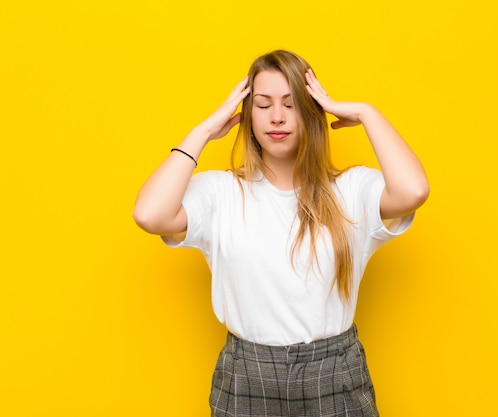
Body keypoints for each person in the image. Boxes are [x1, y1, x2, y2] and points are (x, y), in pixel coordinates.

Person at [133, 49, 429, 417]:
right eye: (263, 104)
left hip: (334, 375)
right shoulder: (221, 193)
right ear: (246, 114)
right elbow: (148, 214)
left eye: (292, 104)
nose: (277, 117)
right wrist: (203, 132)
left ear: (311, 111)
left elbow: (414, 191)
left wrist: (368, 114)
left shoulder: (351, 191)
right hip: (246, 374)